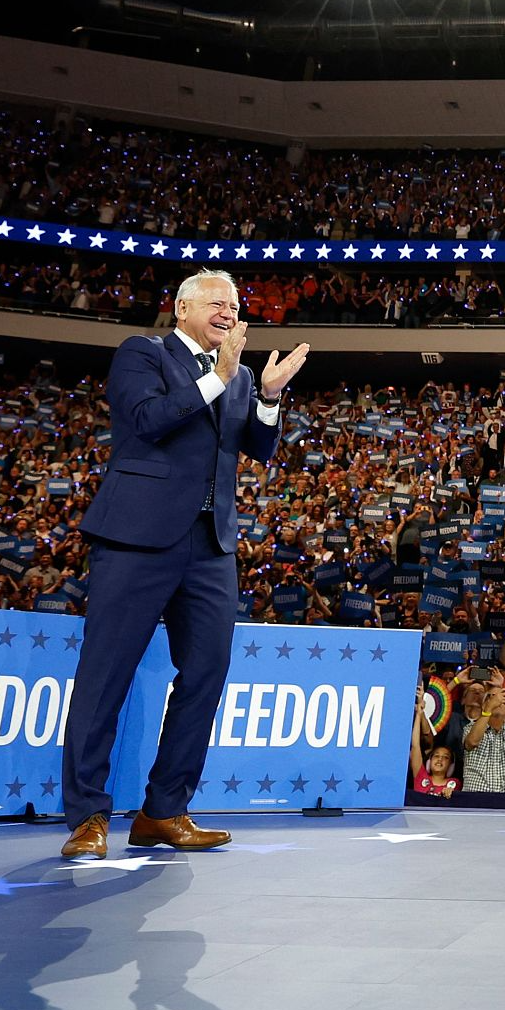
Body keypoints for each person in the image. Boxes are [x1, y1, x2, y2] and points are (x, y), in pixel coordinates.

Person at [58, 270, 309, 859]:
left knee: (206, 673)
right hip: (135, 538)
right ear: (183, 308)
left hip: (210, 546)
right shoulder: (142, 354)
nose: (230, 311)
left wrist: (267, 396)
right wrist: (219, 378)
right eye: (219, 303)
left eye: (236, 304)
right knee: (106, 675)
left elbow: (258, 447)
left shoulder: (242, 373)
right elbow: (147, 420)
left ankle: (164, 810)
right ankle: (88, 816)